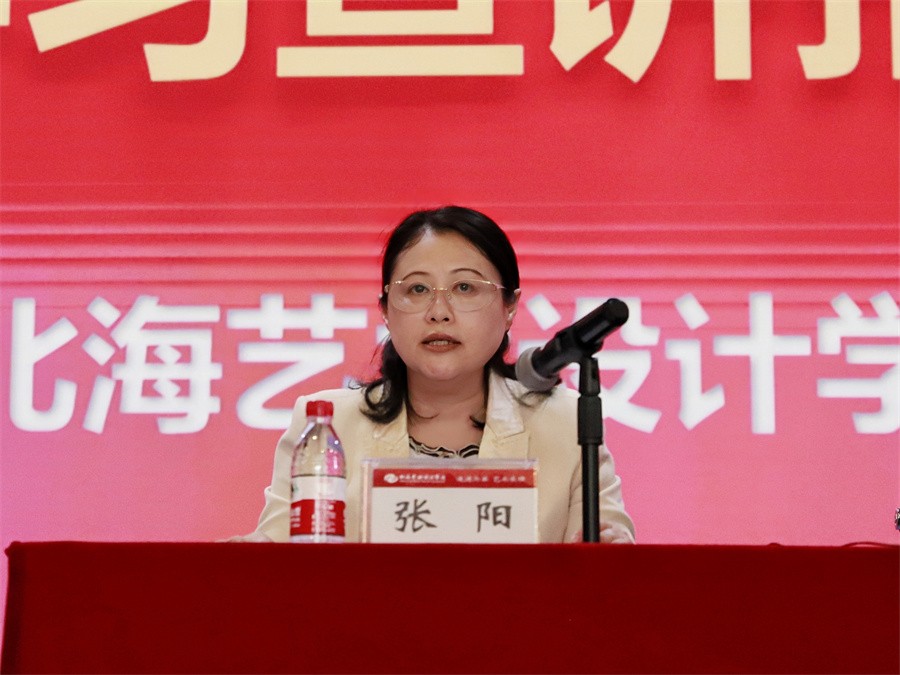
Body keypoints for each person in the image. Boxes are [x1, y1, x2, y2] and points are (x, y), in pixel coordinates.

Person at [234, 206, 634, 544]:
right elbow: (277, 560)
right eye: (417, 290)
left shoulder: (566, 423)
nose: (439, 312)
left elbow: (607, 567)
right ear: (386, 310)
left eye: (465, 287)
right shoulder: (327, 425)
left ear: (510, 306)